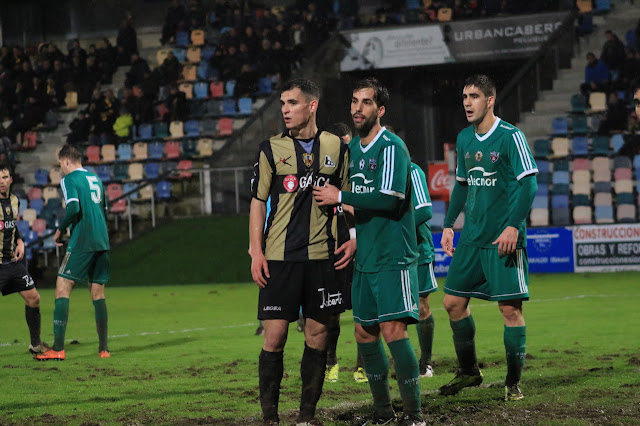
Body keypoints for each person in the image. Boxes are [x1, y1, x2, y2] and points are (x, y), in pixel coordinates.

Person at [314, 77, 425, 426]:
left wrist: (340, 197)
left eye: (365, 102)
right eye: (354, 101)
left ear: (380, 110)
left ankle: (414, 414)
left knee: (394, 331)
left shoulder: (391, 147)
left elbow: (388, 200)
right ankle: (382, 412)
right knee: (364, 333)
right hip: (367, 257)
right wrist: (357, 235)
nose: (357, 108)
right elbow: (365, 208)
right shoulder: (354, 152)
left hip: (394, 256)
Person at [249, 79, 351, 425]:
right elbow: (258, 202)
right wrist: (255, 251)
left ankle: (306, 416)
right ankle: (270, 418)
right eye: (282, 103)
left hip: (323, 258)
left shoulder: (336, 147)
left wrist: (353, 235)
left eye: (292, 103)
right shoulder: (270, 149)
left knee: (318, 335)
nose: (285, 110)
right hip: (279, 259)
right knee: (274, 336)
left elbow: (349, 198)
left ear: (312, 106)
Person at [438, 75, 537, 402]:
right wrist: (450, 224)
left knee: (509, 310)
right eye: (465, 96)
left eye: (475, 96)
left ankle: (513, 382)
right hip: (472, 239)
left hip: (503, 240)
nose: (467, 102)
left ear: (490, 100)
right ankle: (469, 372)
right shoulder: (465, 138)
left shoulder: (511, 136)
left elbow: (529, 184)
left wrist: (513, 225)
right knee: (452, 303)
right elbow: (463, 185)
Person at [35, 144, 111, 361]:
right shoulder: (96, 179)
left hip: (83, 240)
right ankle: (103, 349)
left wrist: (59, 231)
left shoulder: (69, 180)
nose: (61, 169)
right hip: (102, 240)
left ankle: (58, 348)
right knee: (98, 293)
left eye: (60, 165)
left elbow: (74, 208)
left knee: (62, 288)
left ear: (66, 161)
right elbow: (103, 211)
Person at [323, 122, 368, 385]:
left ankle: (362, 365)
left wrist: (347, 202)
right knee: (332, 312)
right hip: (333, 251)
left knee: (362, 310)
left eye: (347, 144)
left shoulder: (359, 175)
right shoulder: (323, 178)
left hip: (360, 249)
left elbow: (366, 210)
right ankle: (331, 363)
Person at [0, 162, 49, 355]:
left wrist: (20, 240)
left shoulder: (14, 201)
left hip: (13, 263)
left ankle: (36, 344)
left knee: (34, 298)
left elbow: (12, 226)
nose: (1, 182)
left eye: (4, 177)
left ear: (11, 179)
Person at [410, 162, 438, 379]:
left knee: (420, 305)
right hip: (386, 252)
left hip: (418, 249)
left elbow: (424, 210)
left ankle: (425, 362)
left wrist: (397, 231)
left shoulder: (412, 171)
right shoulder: (373, 174)